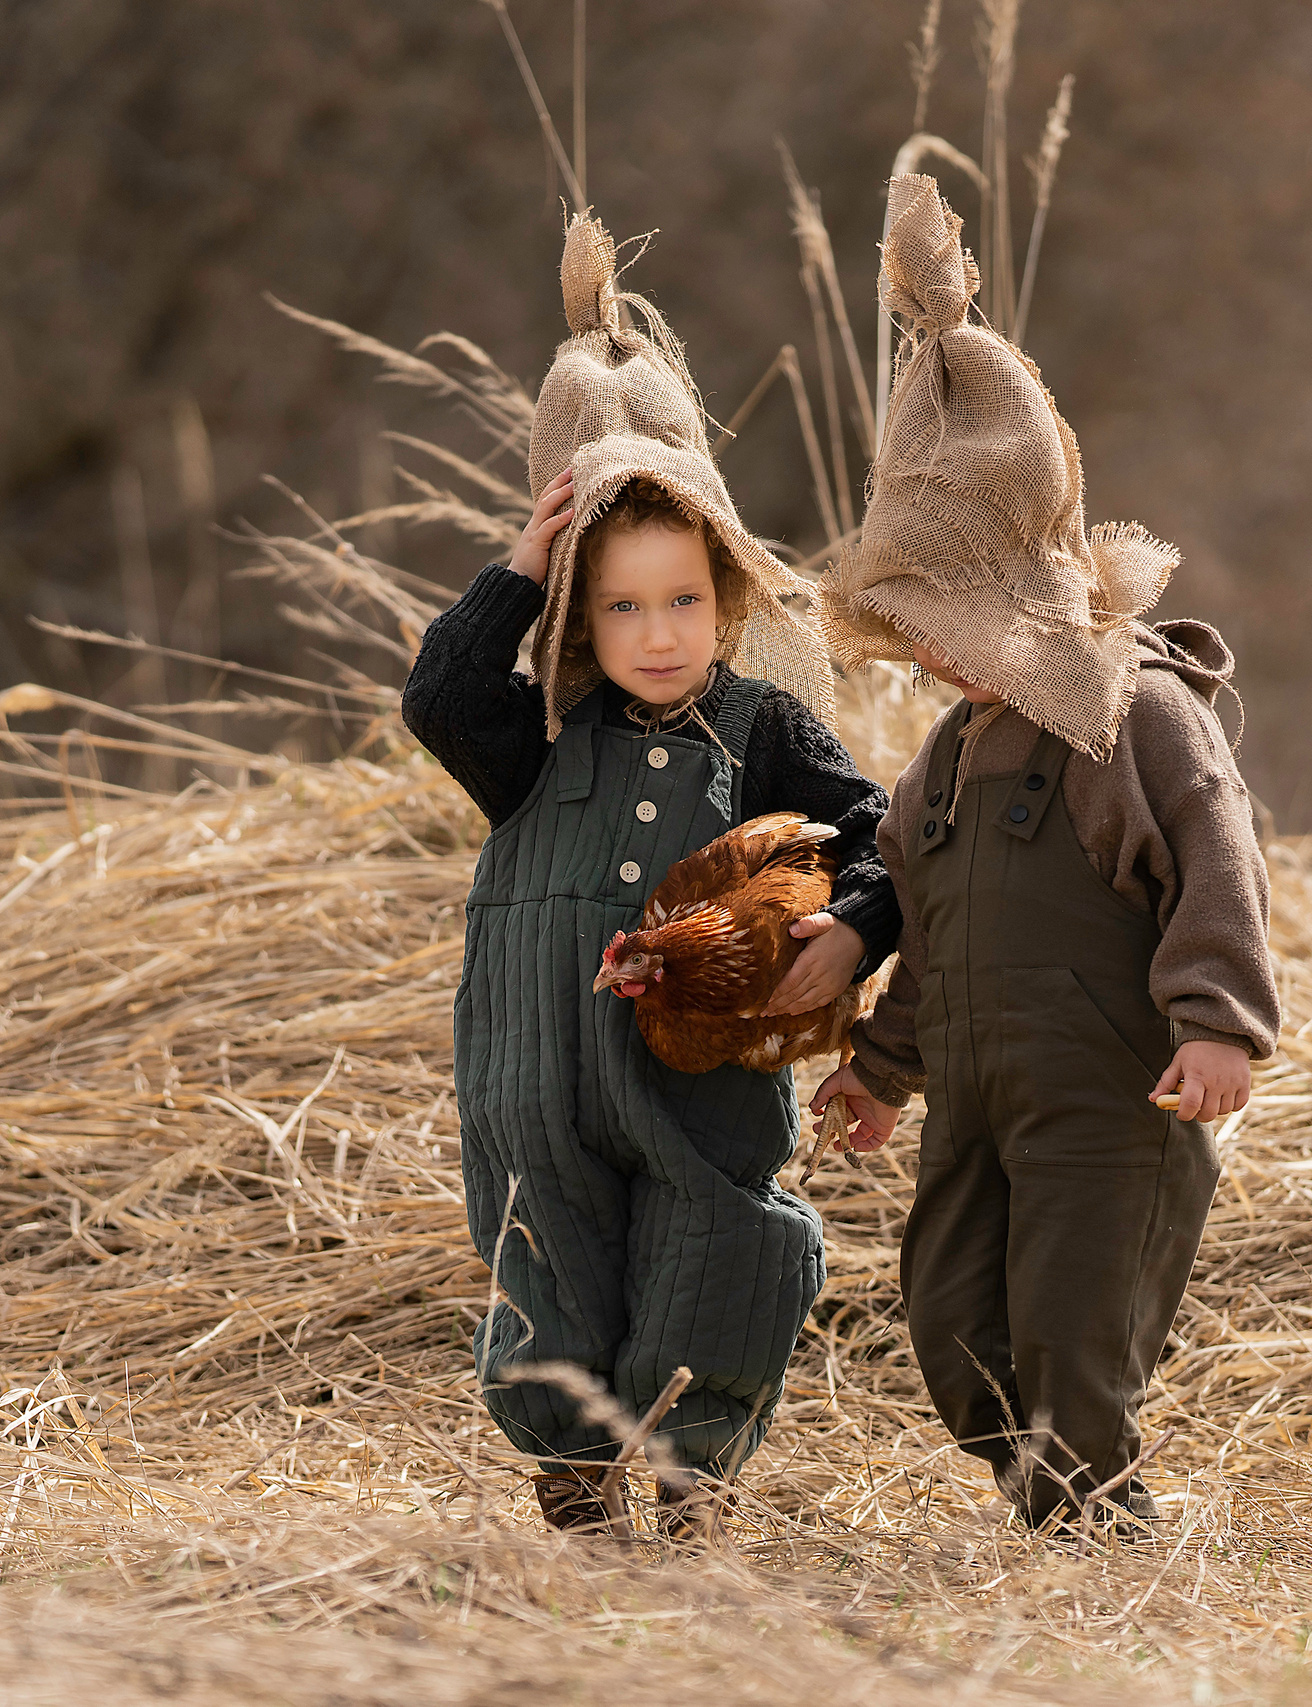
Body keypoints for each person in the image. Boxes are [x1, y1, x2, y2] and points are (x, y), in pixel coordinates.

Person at [401, 213, 897, 1538]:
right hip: (537, 1071)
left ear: (724, 594)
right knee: (546, 1255)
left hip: (697, 1078)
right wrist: (522, 565)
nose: (659, 634)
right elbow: (438, 695)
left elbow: (878, 832)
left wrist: (850, 932)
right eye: (622, 606)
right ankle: (572, 1478)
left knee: (717, 1247)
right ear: (579, 610)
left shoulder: (760, 729)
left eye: (683, 601)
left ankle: (689, 1475)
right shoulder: (536, 733)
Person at [809, 176, 1278, 1536]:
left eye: (951, 617)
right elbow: (935, 933)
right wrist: (883, 1067)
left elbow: (1218, 863)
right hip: (975, 1101)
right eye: (915, 625)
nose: (932, 651)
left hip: (1112, 1101)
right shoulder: (945, 761)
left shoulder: (1138, 716)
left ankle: (1095, 1523)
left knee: (1078, 1332)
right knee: (950, 1323)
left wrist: (1219, 1024)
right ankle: (1056, 1492)